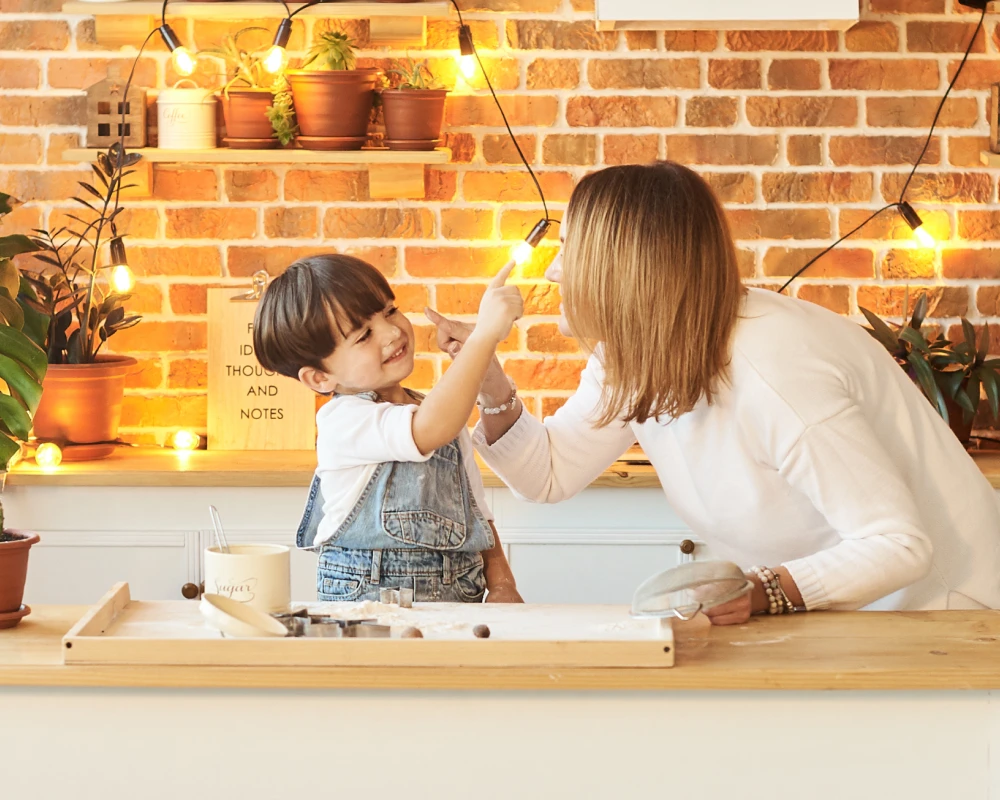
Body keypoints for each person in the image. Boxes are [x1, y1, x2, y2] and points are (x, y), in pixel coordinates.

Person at [426, 161, 1000, 624]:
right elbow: (546, 475)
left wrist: (759, 592)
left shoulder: (773, 365)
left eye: (570, 248)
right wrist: (487, 375)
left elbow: (898, 545)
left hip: (949, 613)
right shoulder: (636, 352)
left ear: (623, 264)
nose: (553, 273)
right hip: (852, 616)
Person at [254, 254, 524, 604]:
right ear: (320, 377)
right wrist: (482, 338)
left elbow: (476, 511)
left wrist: (502, 582)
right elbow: (430, 427)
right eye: (364, 335)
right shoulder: (343, 420)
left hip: (461, 593)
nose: (392, 332)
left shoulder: (440, 414)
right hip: (367, 602)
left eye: (390, 311)